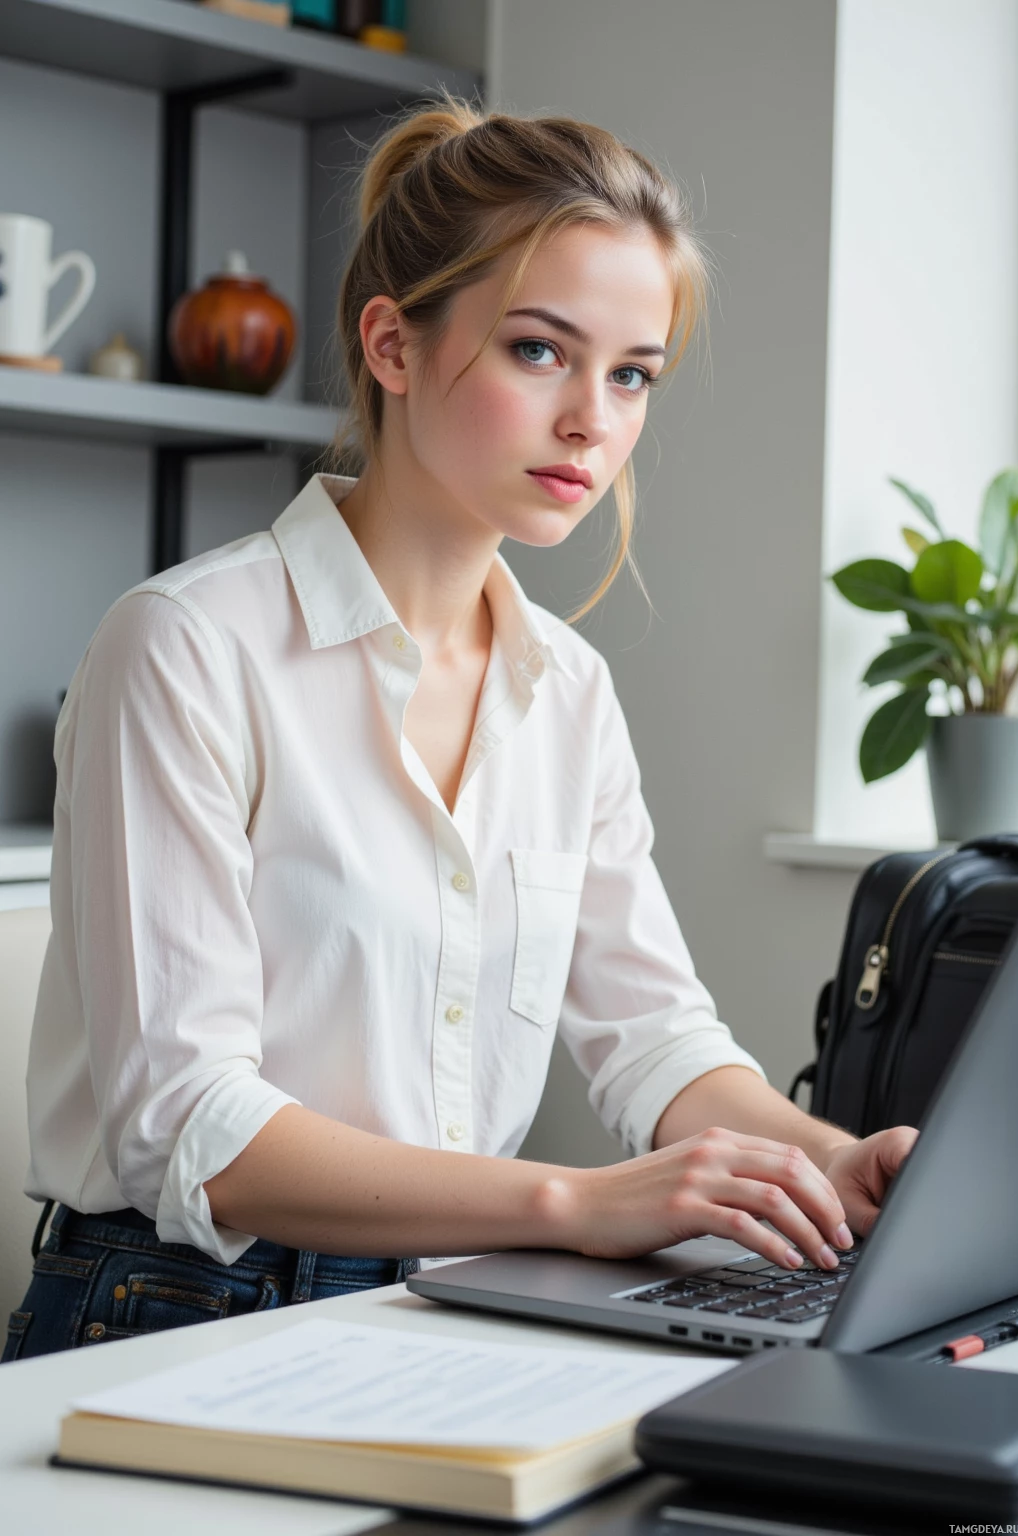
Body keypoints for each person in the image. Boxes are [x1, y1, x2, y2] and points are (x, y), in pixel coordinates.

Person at [2, 93, 916, 1364]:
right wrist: (579, 1204)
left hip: (444, 1306)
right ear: (392, 344)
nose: (594, 419)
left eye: (633, 373)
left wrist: (834, 1164)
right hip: (173, 1309)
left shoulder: (570, 690)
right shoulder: (184, 647)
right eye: (540, 350)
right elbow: (192, 1125)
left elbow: (653, 1040)